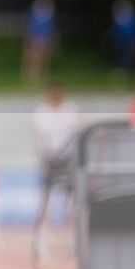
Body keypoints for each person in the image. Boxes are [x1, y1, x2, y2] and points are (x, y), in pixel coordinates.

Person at [31, 80, 81, 243]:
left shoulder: (70, 109)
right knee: (46, 196)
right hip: (49, 159)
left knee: (72, 197)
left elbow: (77, 128)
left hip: (67, 158)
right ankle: (41, 235)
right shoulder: (41, 112)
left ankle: (73, 234)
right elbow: (41, 136)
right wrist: (48, 156)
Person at [22, 0, 58, 82]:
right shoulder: (33, 13)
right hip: (35, 36)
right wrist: (29, 37)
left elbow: (52, 28)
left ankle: (43, 75)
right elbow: (29, 26)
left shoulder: (49, 15)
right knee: (33, 56)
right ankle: (31, 75)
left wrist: (53, 39)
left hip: (45, 37)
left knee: (44, 57)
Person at [109, 0, 135, 76]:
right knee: (125, 58)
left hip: (134, 42)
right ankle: (127, 72)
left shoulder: (133, 18)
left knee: (133, 57)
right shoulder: (121, 19)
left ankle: (133, 72)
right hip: (125, 43)